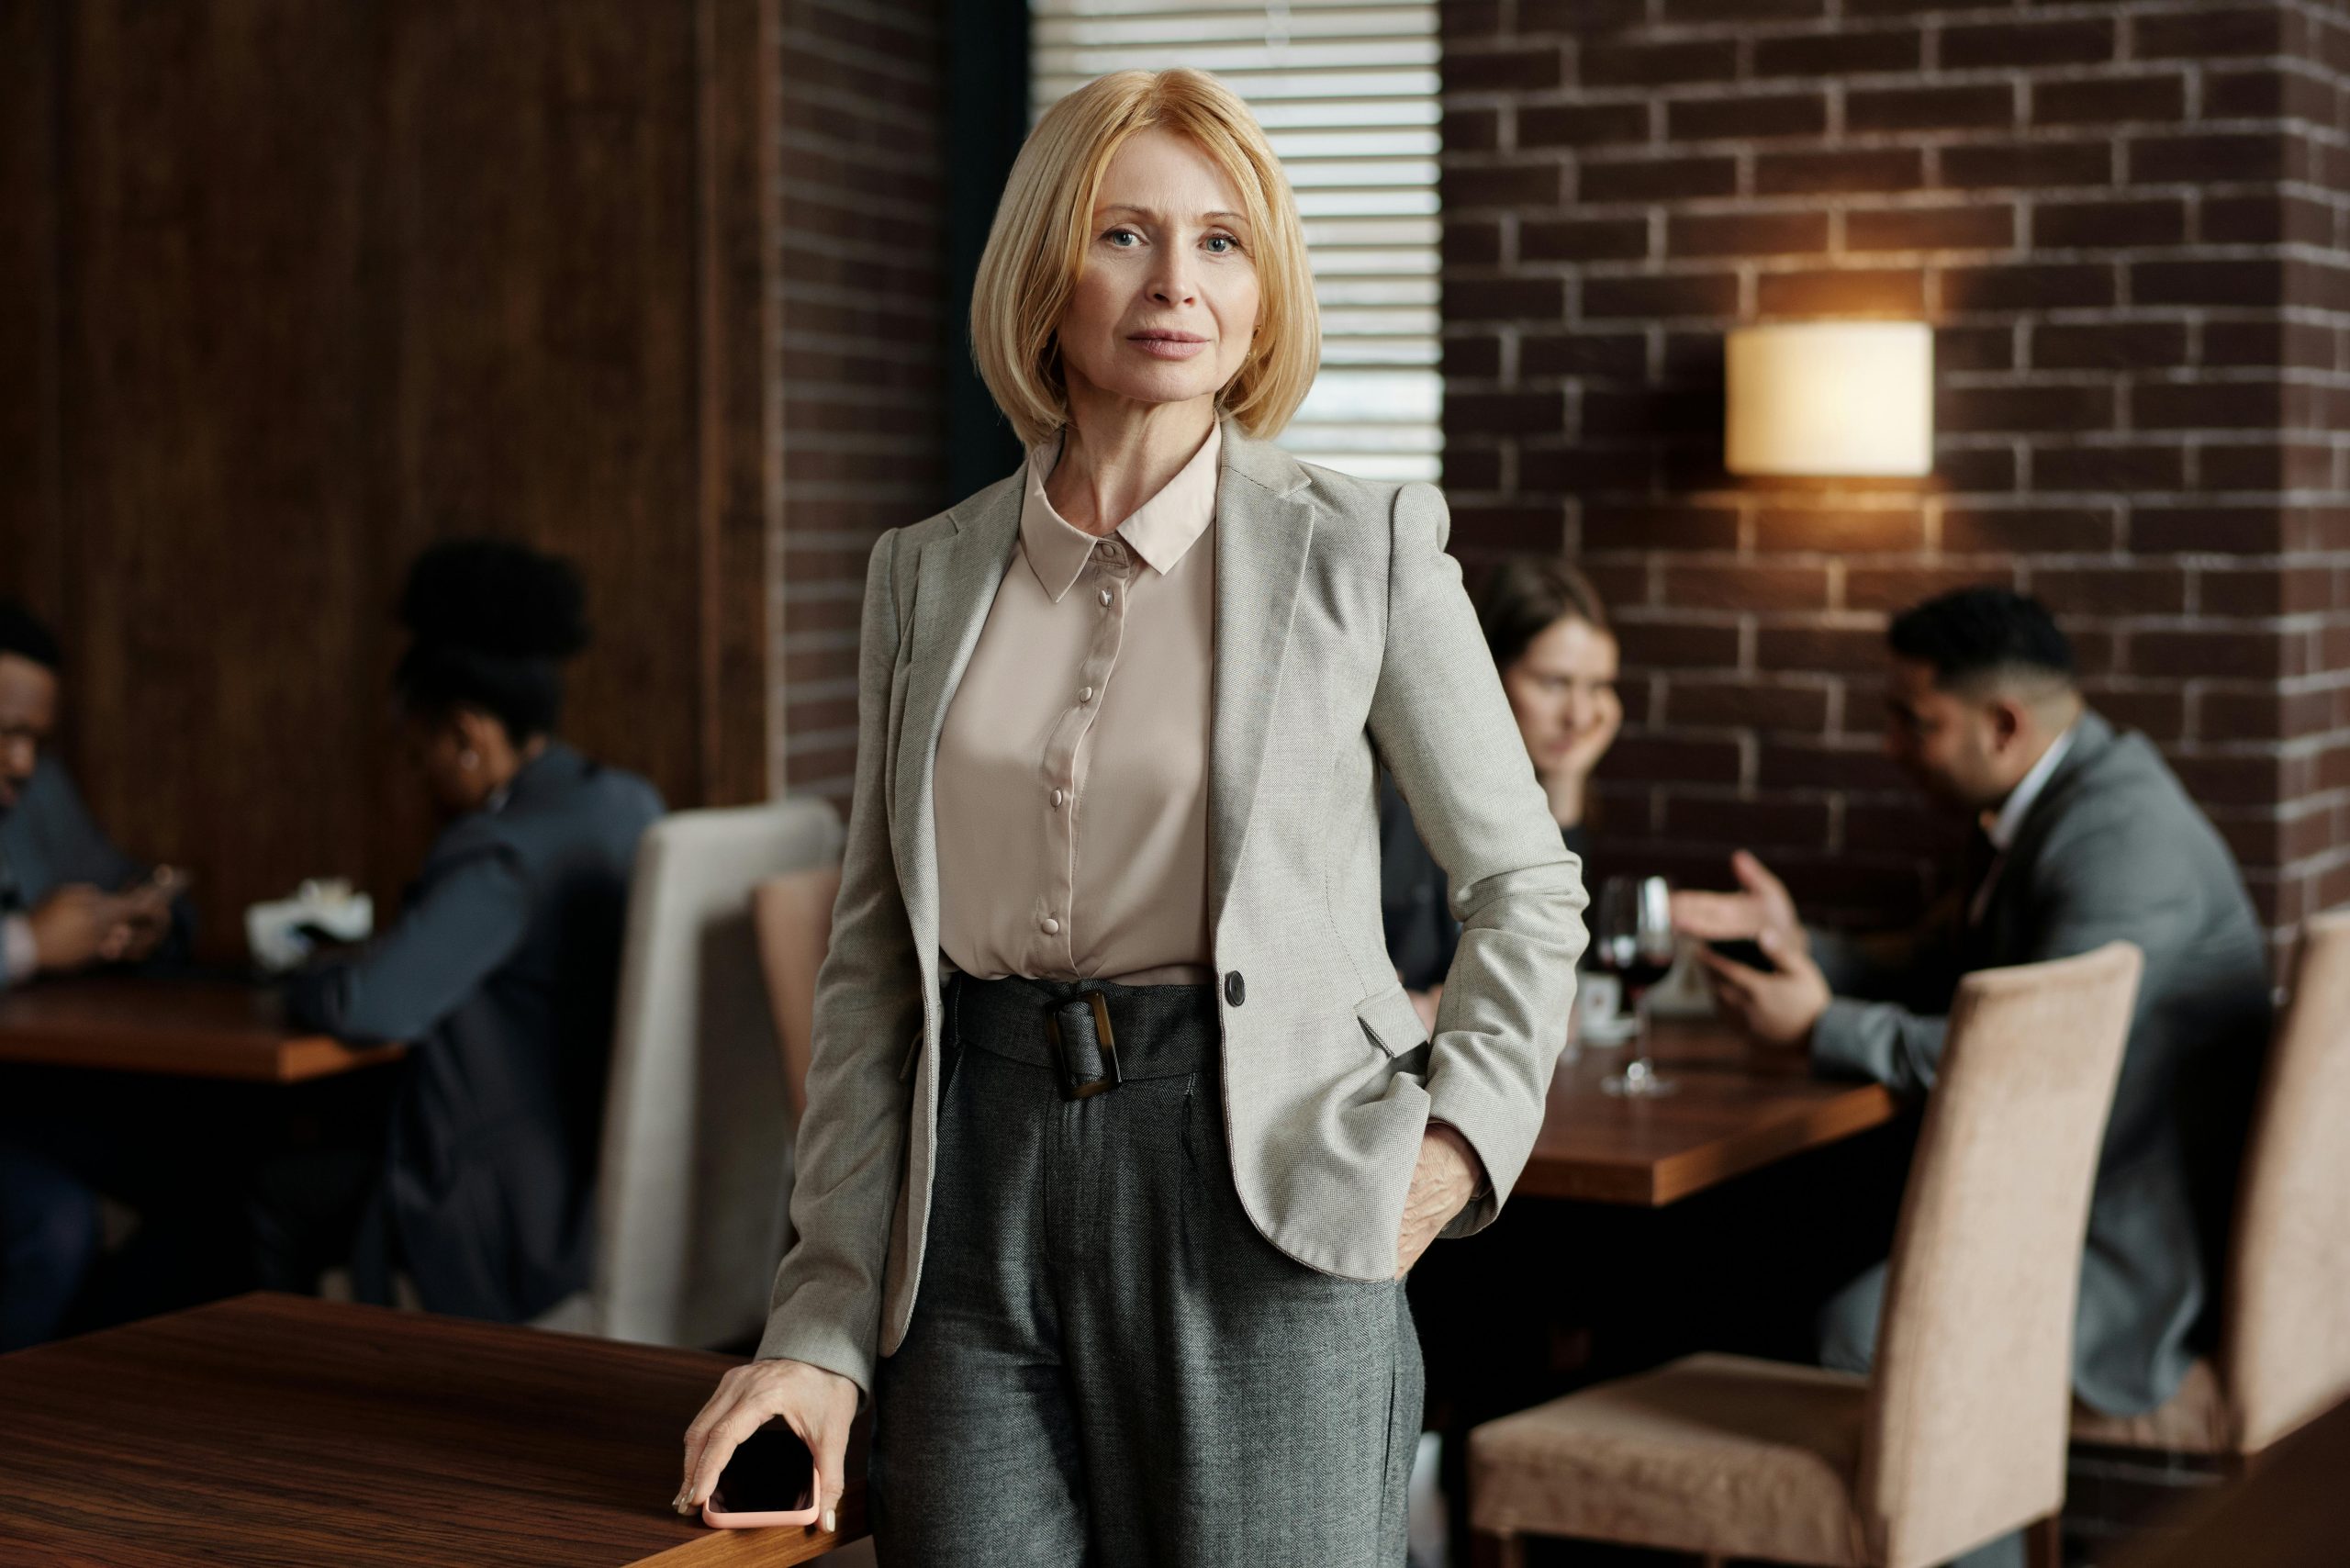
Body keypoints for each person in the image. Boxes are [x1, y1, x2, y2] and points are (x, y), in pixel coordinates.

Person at [675, 69, 1586, 1565]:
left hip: (1266, 1195)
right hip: (970, 1200)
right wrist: (820, 1319)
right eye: (1125, 235)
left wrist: (1449, 1159)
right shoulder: (923, 574)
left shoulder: (1362, 548)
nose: (1179, 282)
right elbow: (868, 970)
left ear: (1266, 288)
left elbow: (1524, 887)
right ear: (1045, 266)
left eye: (1225, 242)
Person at [1677, 588, 2271, 1563]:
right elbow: (1937, 967)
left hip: (2129, 1252)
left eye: (1912, 720)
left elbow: (2026, 1061)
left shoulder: (2117, 839)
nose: (1890, 745)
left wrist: (1822, 1026)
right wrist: (1803, 948)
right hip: (2063, 1195)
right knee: (1761, 1251)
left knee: (1856, 1331)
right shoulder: (2048, 800)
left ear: (2001, 725)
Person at [273, 540, 663, 1323]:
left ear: (467, 734)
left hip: (515, 1210)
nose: (421, 782)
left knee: (260, 1191)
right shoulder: (624, 803)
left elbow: (370, 1008)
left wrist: (302, 974)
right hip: (611, 1185)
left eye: (420, 758)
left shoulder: (501, 854)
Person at [0, 599, 197, 1347]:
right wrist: (24, 943)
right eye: (6, 733)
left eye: (34, 740)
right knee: (54, 1223)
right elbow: (32, 940)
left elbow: (118, 876)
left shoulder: (34, 792)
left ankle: (90, 1403)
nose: (21, 760)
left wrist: (156, 914)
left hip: (35, 1093)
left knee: (213, 1180)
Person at [1382, 558, 1618, 1019]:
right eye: (1554, 683)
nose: (1580, 715)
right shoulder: (1400, 794)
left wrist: (1566, 785)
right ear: (1488, 672)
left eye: (1598, 687)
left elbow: (1555, 991)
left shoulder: (1528, 806)